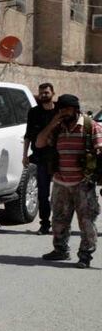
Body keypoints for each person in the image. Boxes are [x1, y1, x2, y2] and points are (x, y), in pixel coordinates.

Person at [37, 94, 102, 269]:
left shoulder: (90, 127)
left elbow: (100, 151)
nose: (63, 112)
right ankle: (60, 250)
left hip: (83, 183)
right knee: (59, 219)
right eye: (60, 109)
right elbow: (39, 143)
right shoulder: (57, 128)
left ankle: (85, 255)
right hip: (60, 182)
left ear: (75, 109)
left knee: (86, 221)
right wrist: (52, 123)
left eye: (66, 109)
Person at [23, 83, 58, 235]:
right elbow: (28, 135)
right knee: (43, 194)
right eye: (41, 93)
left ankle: (60, 224)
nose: (44, 95)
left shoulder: (60, 111)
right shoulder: (34, 112)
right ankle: (45, 224)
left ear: (53, 93)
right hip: (41, 158)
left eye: (46, 92)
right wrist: (24, 155)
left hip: (59, 158)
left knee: (60, 194)